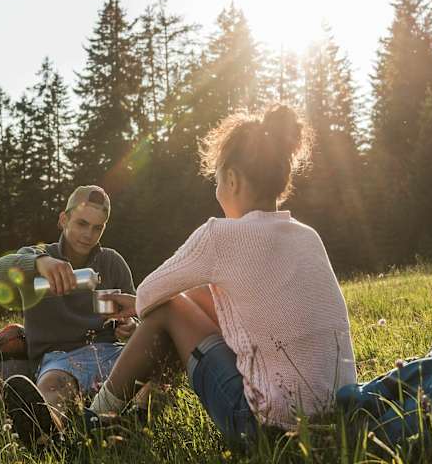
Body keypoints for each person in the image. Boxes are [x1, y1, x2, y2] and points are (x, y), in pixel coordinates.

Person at [88, 105, 358, 447]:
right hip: (339, 421)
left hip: (268, 432)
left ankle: (92, 420)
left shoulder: (221, 237)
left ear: (232, 179)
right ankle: (139, 413)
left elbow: (149, 296)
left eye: (217, 181)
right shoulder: (308, 236)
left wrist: (136, 303)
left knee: (169, 309)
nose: (217, 192)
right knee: (197, 299)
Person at [0, 185, 138, 446]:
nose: (88, 234)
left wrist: (131, 326)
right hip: (59, 359)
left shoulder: (112, 262)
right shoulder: (36, 258)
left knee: (154, 363)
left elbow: (137, 312)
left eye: (97, 227)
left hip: (110, 352)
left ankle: (135, 418)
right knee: (54, 386)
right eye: (81, 223)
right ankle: (47, 433)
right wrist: (38, 263)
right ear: (63, 219)